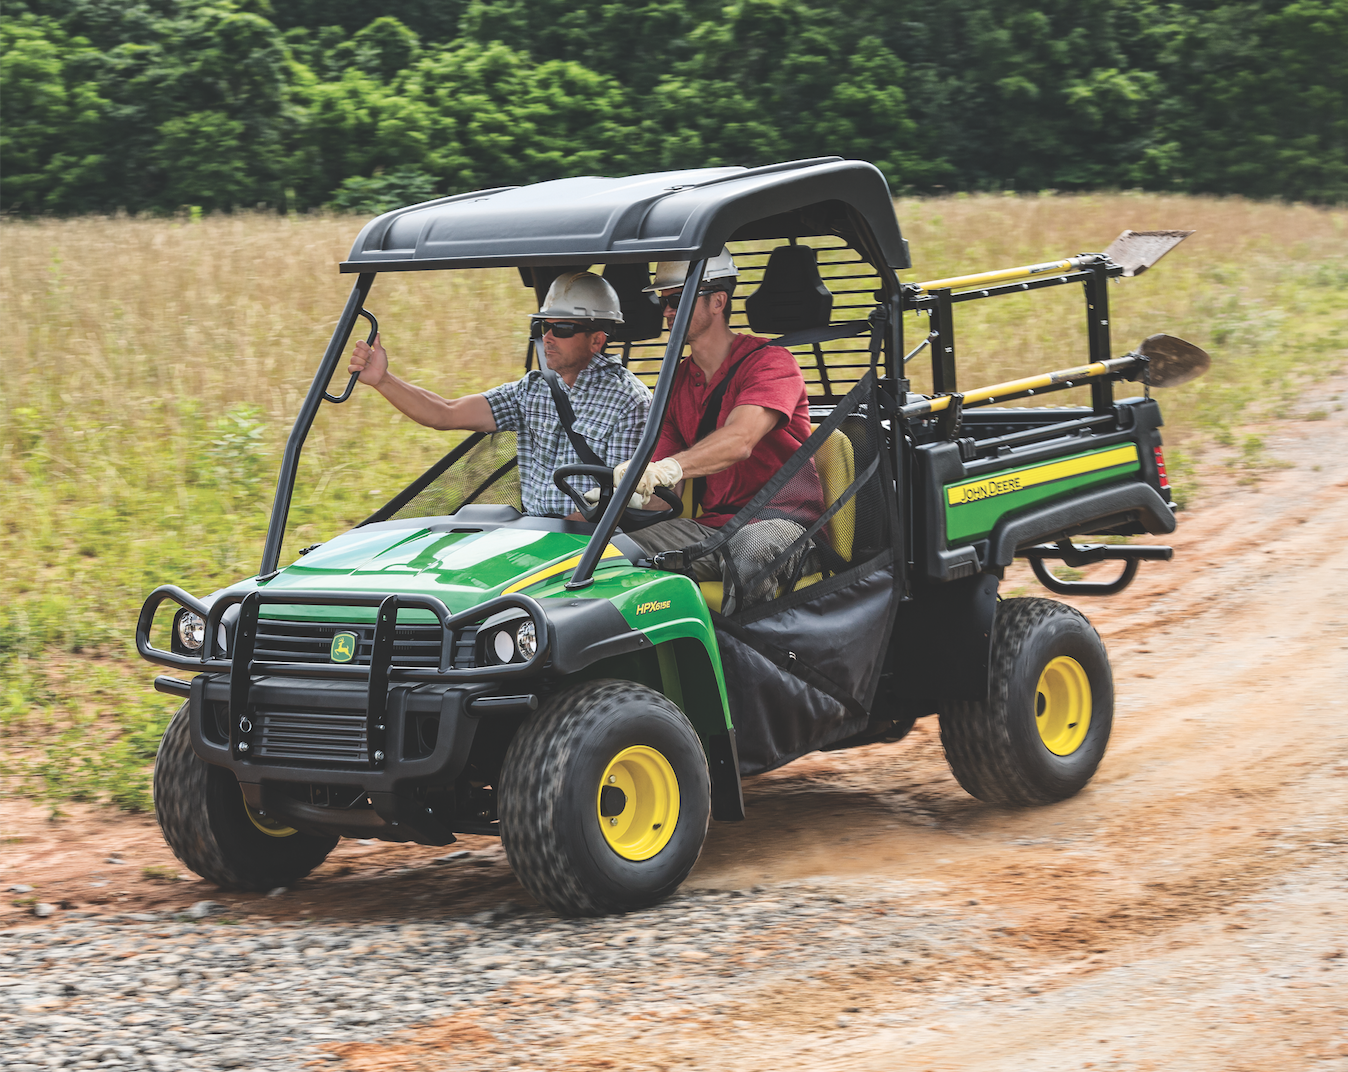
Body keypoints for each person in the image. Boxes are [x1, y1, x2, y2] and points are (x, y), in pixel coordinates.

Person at [348, 271, 651, 518]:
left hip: (590, 543)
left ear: (596, 340)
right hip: (533, 533)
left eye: (562, 328)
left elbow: (617, 502)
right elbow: (446, 412)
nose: (547, 337)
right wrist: (383, 380)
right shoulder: (533, 388)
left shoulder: (629, 401)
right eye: (544, 325)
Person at [618, 249, 822, 612]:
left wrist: (669, 468)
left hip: (784, 523)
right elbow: (665, 491)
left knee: (749, 548)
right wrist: (628, 491)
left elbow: (740, 439)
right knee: (611, 554)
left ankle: (747, 658)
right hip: (712, 529)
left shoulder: (771, 362)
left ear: (718, 301)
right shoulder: (675, 381)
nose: (666, 311)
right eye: (663, 301)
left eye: (677, 299)